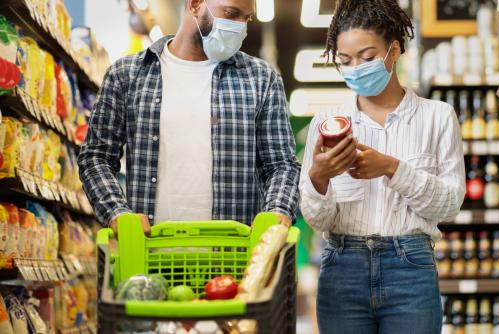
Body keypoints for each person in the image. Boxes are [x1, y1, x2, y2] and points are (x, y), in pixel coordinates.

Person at [299, 0, 466, 333]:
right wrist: (318, 178)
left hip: (411, 269)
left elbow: (449, 206)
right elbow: (318, 219)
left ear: (394, 51)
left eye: (367, 56)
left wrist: (392, 169)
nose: (356, 68)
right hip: (342, 267)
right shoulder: (327, 123)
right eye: (345, 61)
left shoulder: (437, 117)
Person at [79, 0, 300, 234]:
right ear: (195, 5)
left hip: (234, 259)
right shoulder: (126, 76)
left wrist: (278, 209)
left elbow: (282, 165)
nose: (240, 27)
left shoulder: (261, 80)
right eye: (231, 14)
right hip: (149, 257)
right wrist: (117, 213)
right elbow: (96, 157)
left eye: (246, 18)